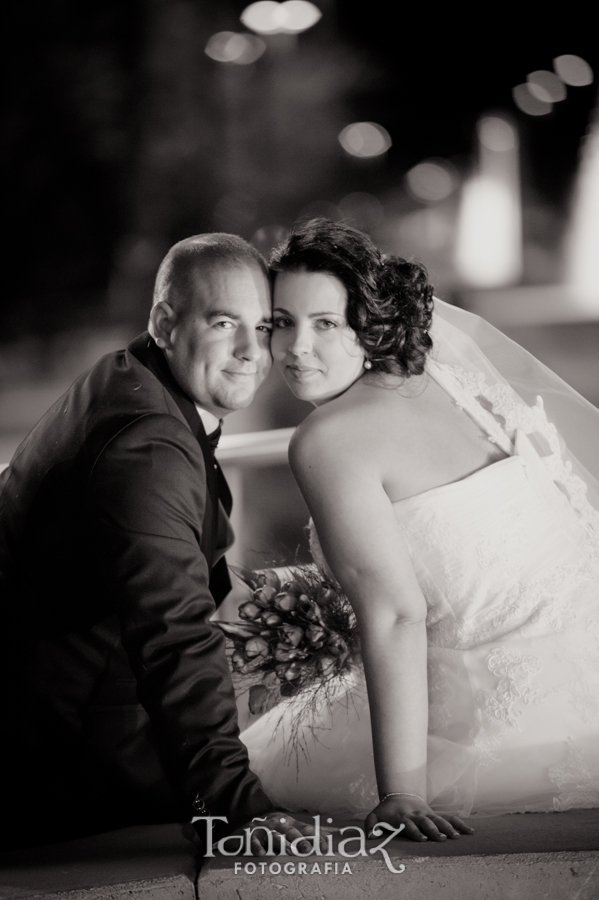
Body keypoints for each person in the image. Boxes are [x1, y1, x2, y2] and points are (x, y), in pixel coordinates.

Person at [240, 218, 599, 842]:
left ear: (369, 321)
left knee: (248, 770)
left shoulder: (328, 438)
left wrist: (403, 793)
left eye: (325, 323)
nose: (296, 348)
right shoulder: (446, 379)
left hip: (516, 718)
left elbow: (397, 615)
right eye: (281, 323)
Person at [0, 233, 321, 854]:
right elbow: (172, 634)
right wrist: (233, 806)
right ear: (165, 322)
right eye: (225, 322)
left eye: (264, 325)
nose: (253, 351)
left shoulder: (127, 379)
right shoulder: (146, 446)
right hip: (61, 767)